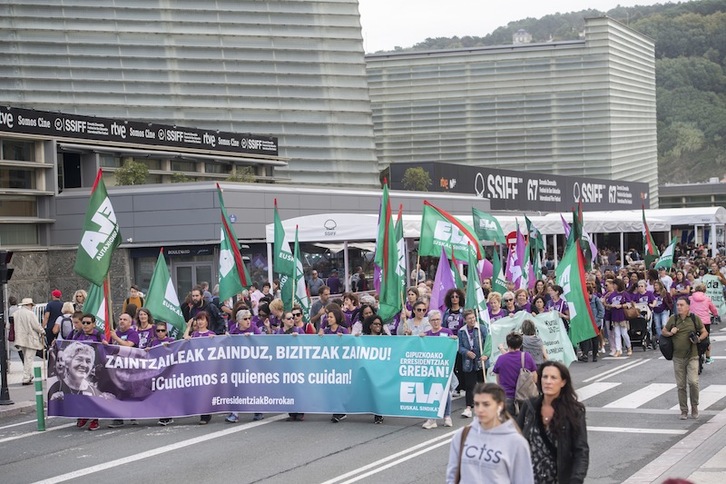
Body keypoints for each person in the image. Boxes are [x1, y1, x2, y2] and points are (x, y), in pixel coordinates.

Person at [446, 383, 534, 484]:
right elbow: (452, 475)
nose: (480, 410)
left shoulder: (516, 442)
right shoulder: (462, 435)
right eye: (477, 404)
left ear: (500, 405)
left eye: (486, 404)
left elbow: (524, 479)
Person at [517, 361, 589, 484]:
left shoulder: (574, 411)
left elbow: (581, 450)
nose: (548, 381)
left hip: (559, 479)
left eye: (553, 377)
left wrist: (576, 479)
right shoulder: (529, 407)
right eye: (545, 377)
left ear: (563, 382)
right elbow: (516, 441)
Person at [663, 298, 708, 419]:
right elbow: (664, 332)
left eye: (682, 305)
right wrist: (671, 333)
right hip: (677, 357)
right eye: (677, 305)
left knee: (693, 382)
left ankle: (694, 406)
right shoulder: (674, 318)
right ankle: (683, 410)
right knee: (681, 385)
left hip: (692, 356)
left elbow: (704, 332)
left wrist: (698, 339)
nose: (679, 307)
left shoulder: (694, 318)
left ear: (688, 306)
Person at [104, 313, 139, 428]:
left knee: (130, 392)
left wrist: (115, 338)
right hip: (116, 368)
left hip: (130, 368)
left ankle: (134, 415)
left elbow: (128, 345)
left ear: (130, 322)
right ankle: (118, 418)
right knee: (116, 393)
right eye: (120, 319)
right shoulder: (115, 333)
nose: (122, 321)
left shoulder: (132, 333)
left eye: (125, 319)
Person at [421, 310, 455, 429]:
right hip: (431, 368)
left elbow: (452, 349)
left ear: (441, 320)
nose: (435, 322)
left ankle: (447, 416)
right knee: (432, 392)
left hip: (444, 367)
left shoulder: (447, 332)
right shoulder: (427, 334)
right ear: (429, 321)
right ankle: (432, 418)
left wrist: (454, 341)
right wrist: (420, 339)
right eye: (433, 320)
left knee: (446, 392)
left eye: (437, 319)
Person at [492, 332, 537, 415]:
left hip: (507, 397)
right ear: (520, 344)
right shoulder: (527, 357)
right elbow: (534, 378)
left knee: (510, 425)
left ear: (508, 344)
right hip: (525, 396)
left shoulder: (501, 359)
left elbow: (498, 381)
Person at [184, 311, 216, 424]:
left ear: (207, 321)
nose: (200, 322)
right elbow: (185, 338)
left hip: (207, 367)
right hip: (196, 367)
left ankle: (206, 415)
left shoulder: (211, 334)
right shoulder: (195, 334)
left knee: (206, 391)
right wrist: (188, 327)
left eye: (202, 319)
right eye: (198, 319)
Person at [458, 310, 487, 418]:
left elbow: (488, 342)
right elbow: (459, 346)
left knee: (483, 383)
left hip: (481, 359)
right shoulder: (461, 332)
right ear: (465, 320)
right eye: (469, 318)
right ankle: (468, 408)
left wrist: (486, 354)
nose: (472, 320)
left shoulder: (481, 328)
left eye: (473, 317)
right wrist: (466, 352)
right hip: (468, 362)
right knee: (470, 385)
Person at [14, 298, 46, 385]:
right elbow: (36, 325)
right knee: (29, 359)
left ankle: (29, 375)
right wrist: (42, 331)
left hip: (20, 339)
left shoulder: (16, 313)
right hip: (30, 339)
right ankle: (26, 378)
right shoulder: (30, 314)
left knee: (26, 358)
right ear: (29, 305)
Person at [688, 284, 718, 364]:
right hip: (705, 322)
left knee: (691, 337)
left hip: (693, 321)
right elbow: (713, 308)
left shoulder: (690, 298)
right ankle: (708, 357)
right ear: (704, 291)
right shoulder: (707, 299)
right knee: (706, 339)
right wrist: (715, 314)